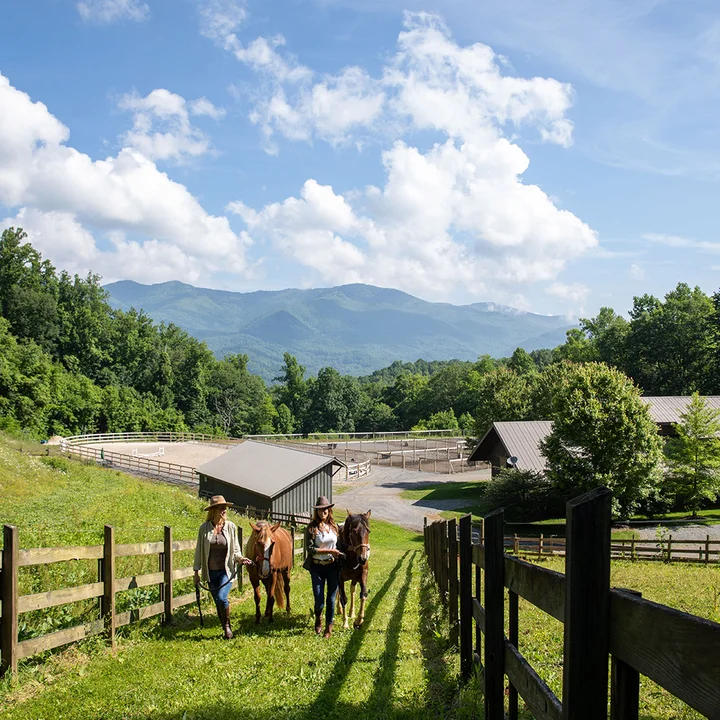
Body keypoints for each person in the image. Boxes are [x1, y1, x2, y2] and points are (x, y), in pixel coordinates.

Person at [193, 495, 252, 639]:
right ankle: (224, 626)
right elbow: (199, 550)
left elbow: (236, 549)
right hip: (210, 572)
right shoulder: (204, 528)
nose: (224, 511)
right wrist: (196, 571)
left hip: (227, 570)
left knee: (221, 597)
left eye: (225, 508)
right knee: (218, 601)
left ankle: (227, 626)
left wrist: (240, 558)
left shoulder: (230, 527)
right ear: (213, 511)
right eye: (221, 508)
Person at [305, 496, 344, 638]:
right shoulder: (311, 528)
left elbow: (339, 545)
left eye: (325, 509)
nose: (323, 512)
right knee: (319, 599)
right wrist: (330, 551)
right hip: (317, 567)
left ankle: (329, 626)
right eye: (320, 510)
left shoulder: (334, 527)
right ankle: (318, 617)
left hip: (332, 566)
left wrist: (337, 554)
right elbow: (310, 549)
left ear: (329, 510)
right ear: (317, 511)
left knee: (331, 598)